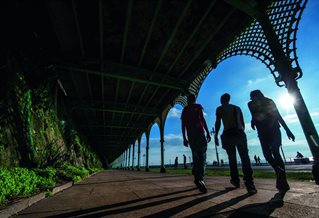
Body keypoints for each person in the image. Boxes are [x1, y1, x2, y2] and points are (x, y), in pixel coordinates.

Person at [248, 90, 295, 191]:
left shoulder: (268, 101)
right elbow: (254, 114)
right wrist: (253, 121)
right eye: (251, 98)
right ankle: (280, 173)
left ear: (258, 96)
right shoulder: (253, 103)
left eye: (253, 97)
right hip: (265, 131)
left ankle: (282, 178)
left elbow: (277, 115)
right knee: (269, 154)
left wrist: (288, 130)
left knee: (274, 152)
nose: (251, 99)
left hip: (271, 130)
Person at [215, 93, 257, 195]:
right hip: (240, 133)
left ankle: (235, 180)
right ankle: (250, 184)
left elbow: (218, 123)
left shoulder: (220, 109)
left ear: (222, 99)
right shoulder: (237, 108)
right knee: (245, 158)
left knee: (232, 159)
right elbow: (242, 123)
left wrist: (215, 135)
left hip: (229, 133)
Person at [181, 94, 211, 193]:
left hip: (191, 135)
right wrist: (207, 132)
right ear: (194, 100)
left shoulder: (185, 110)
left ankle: (197, 175)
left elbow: (183, 125)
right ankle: (199, 178)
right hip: (199, 133)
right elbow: (202, 119)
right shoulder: (198, 107)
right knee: (202, 156)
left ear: (187, 100)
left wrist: (184, 138)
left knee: (196, 155)